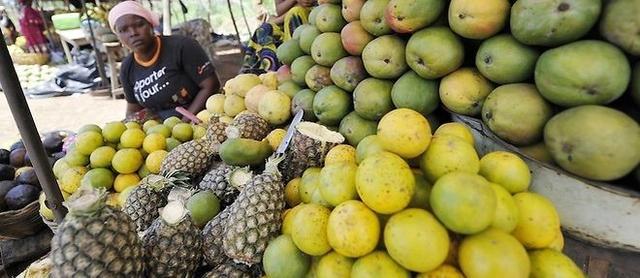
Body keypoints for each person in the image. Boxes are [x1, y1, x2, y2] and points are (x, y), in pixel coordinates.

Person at [108, 1, 220, 121]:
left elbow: (210, 85)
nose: (133, 33)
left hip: (201, 119)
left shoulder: (182, 47)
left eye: (139, 25)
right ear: (118, 37)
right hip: (160, 133)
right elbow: (133, 109)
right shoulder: (127, 68)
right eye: (123, 30)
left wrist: (184, 123)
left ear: (151, 25)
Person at [241, 0, 315, 74]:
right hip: (286, 17)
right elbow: (279, 10)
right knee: (263, 30)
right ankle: (266, 73)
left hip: (313, 18)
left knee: (295, 13)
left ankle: (293, 68)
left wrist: (278, 20)